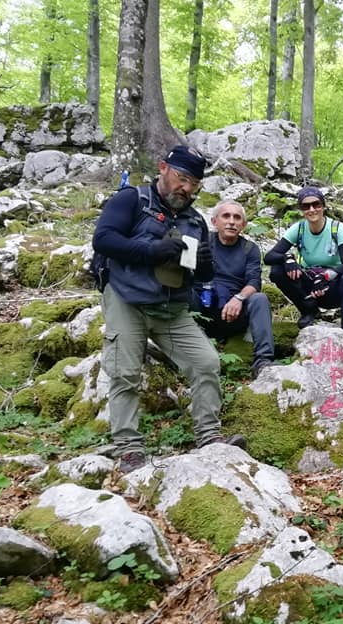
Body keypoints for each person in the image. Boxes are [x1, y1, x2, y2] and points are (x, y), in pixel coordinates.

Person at [92, 145, 246, 474]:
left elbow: (202, 276)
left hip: (171, 307)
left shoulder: (195, 220)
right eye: (182, 178)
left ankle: (209, 436)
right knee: (125, 372)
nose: (186, 188)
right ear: (163, 168)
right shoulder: (131, 200)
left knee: (206, 362)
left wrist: (204, 264)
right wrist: (153, 250)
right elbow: (103, 240)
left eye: (194, 184)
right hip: (127, 299)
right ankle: (128, 447)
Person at [264, 187, 343, 341]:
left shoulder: (336, 228)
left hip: (331, 286)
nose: (312, 209)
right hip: (309, 288)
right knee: (277, 270)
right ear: (302, 210)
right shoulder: (299, 229)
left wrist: (326, 276)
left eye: (316, 204)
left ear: (323, 206)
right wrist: (288, 258)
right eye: (306, 206)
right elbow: (269, 257)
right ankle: (309, 311)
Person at [193, 200, 276, 380]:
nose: (231, 221)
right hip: (201, 309)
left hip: (232, 313)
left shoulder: (249, 249)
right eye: (226, 216)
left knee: (260, 299)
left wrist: (239, 298)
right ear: (214, 221)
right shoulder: (203, 242)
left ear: (243, 225)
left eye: (237, 218)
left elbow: (254, 282)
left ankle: (263, 362)